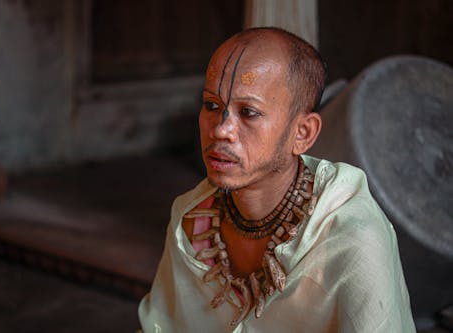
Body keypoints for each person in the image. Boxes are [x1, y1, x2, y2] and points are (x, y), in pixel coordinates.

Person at [138, 27, 415, 332]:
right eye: (212, 105)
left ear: (302, 134)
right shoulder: (191, 222)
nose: (220, 130)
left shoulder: (352, 236)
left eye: (249, 112)